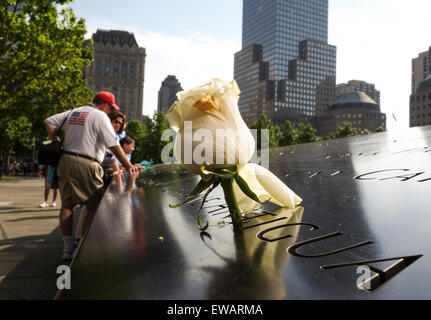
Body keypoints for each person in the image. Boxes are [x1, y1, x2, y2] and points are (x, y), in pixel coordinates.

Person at [44, 91, 142, 260]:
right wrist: (129, 165)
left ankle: (67, 248)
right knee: (95, 205)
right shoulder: (100, 116)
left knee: (67, 204)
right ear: (103, 103)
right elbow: (114, 145)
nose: (110, 111)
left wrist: (55, 140)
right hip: (88, 163)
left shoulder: (73, 112)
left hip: (66, 159)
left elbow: (49, 121)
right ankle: (81, 243)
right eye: (111, 107)